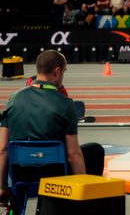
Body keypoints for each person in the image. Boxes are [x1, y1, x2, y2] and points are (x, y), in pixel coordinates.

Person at [0, 50, 104, 208]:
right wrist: (83, 190)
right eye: (64, 72)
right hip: (56, 176)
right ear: (57, 71)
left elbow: (2, 150)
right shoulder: (65, 104)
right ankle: (83, 205)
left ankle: (17, 202)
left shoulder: (13, 100)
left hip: (21, 175)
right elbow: (73, 154)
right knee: (95, 150)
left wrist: (2, 187)